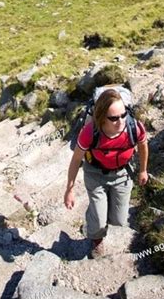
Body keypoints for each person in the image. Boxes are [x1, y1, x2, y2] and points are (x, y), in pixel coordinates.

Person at [64, 88, 149, 258]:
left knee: (119, 220)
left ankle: (98, 213)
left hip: (122, 174)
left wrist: (143, 170)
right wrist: (70, 189)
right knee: (99, 219)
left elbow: (143, 146)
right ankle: (96, 237)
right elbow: (75, 160)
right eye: (114, 118)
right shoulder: (90, 132)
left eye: (123, 115)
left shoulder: (134, 127)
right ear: (102, 117)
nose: (121, 121)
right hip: (95, 174)